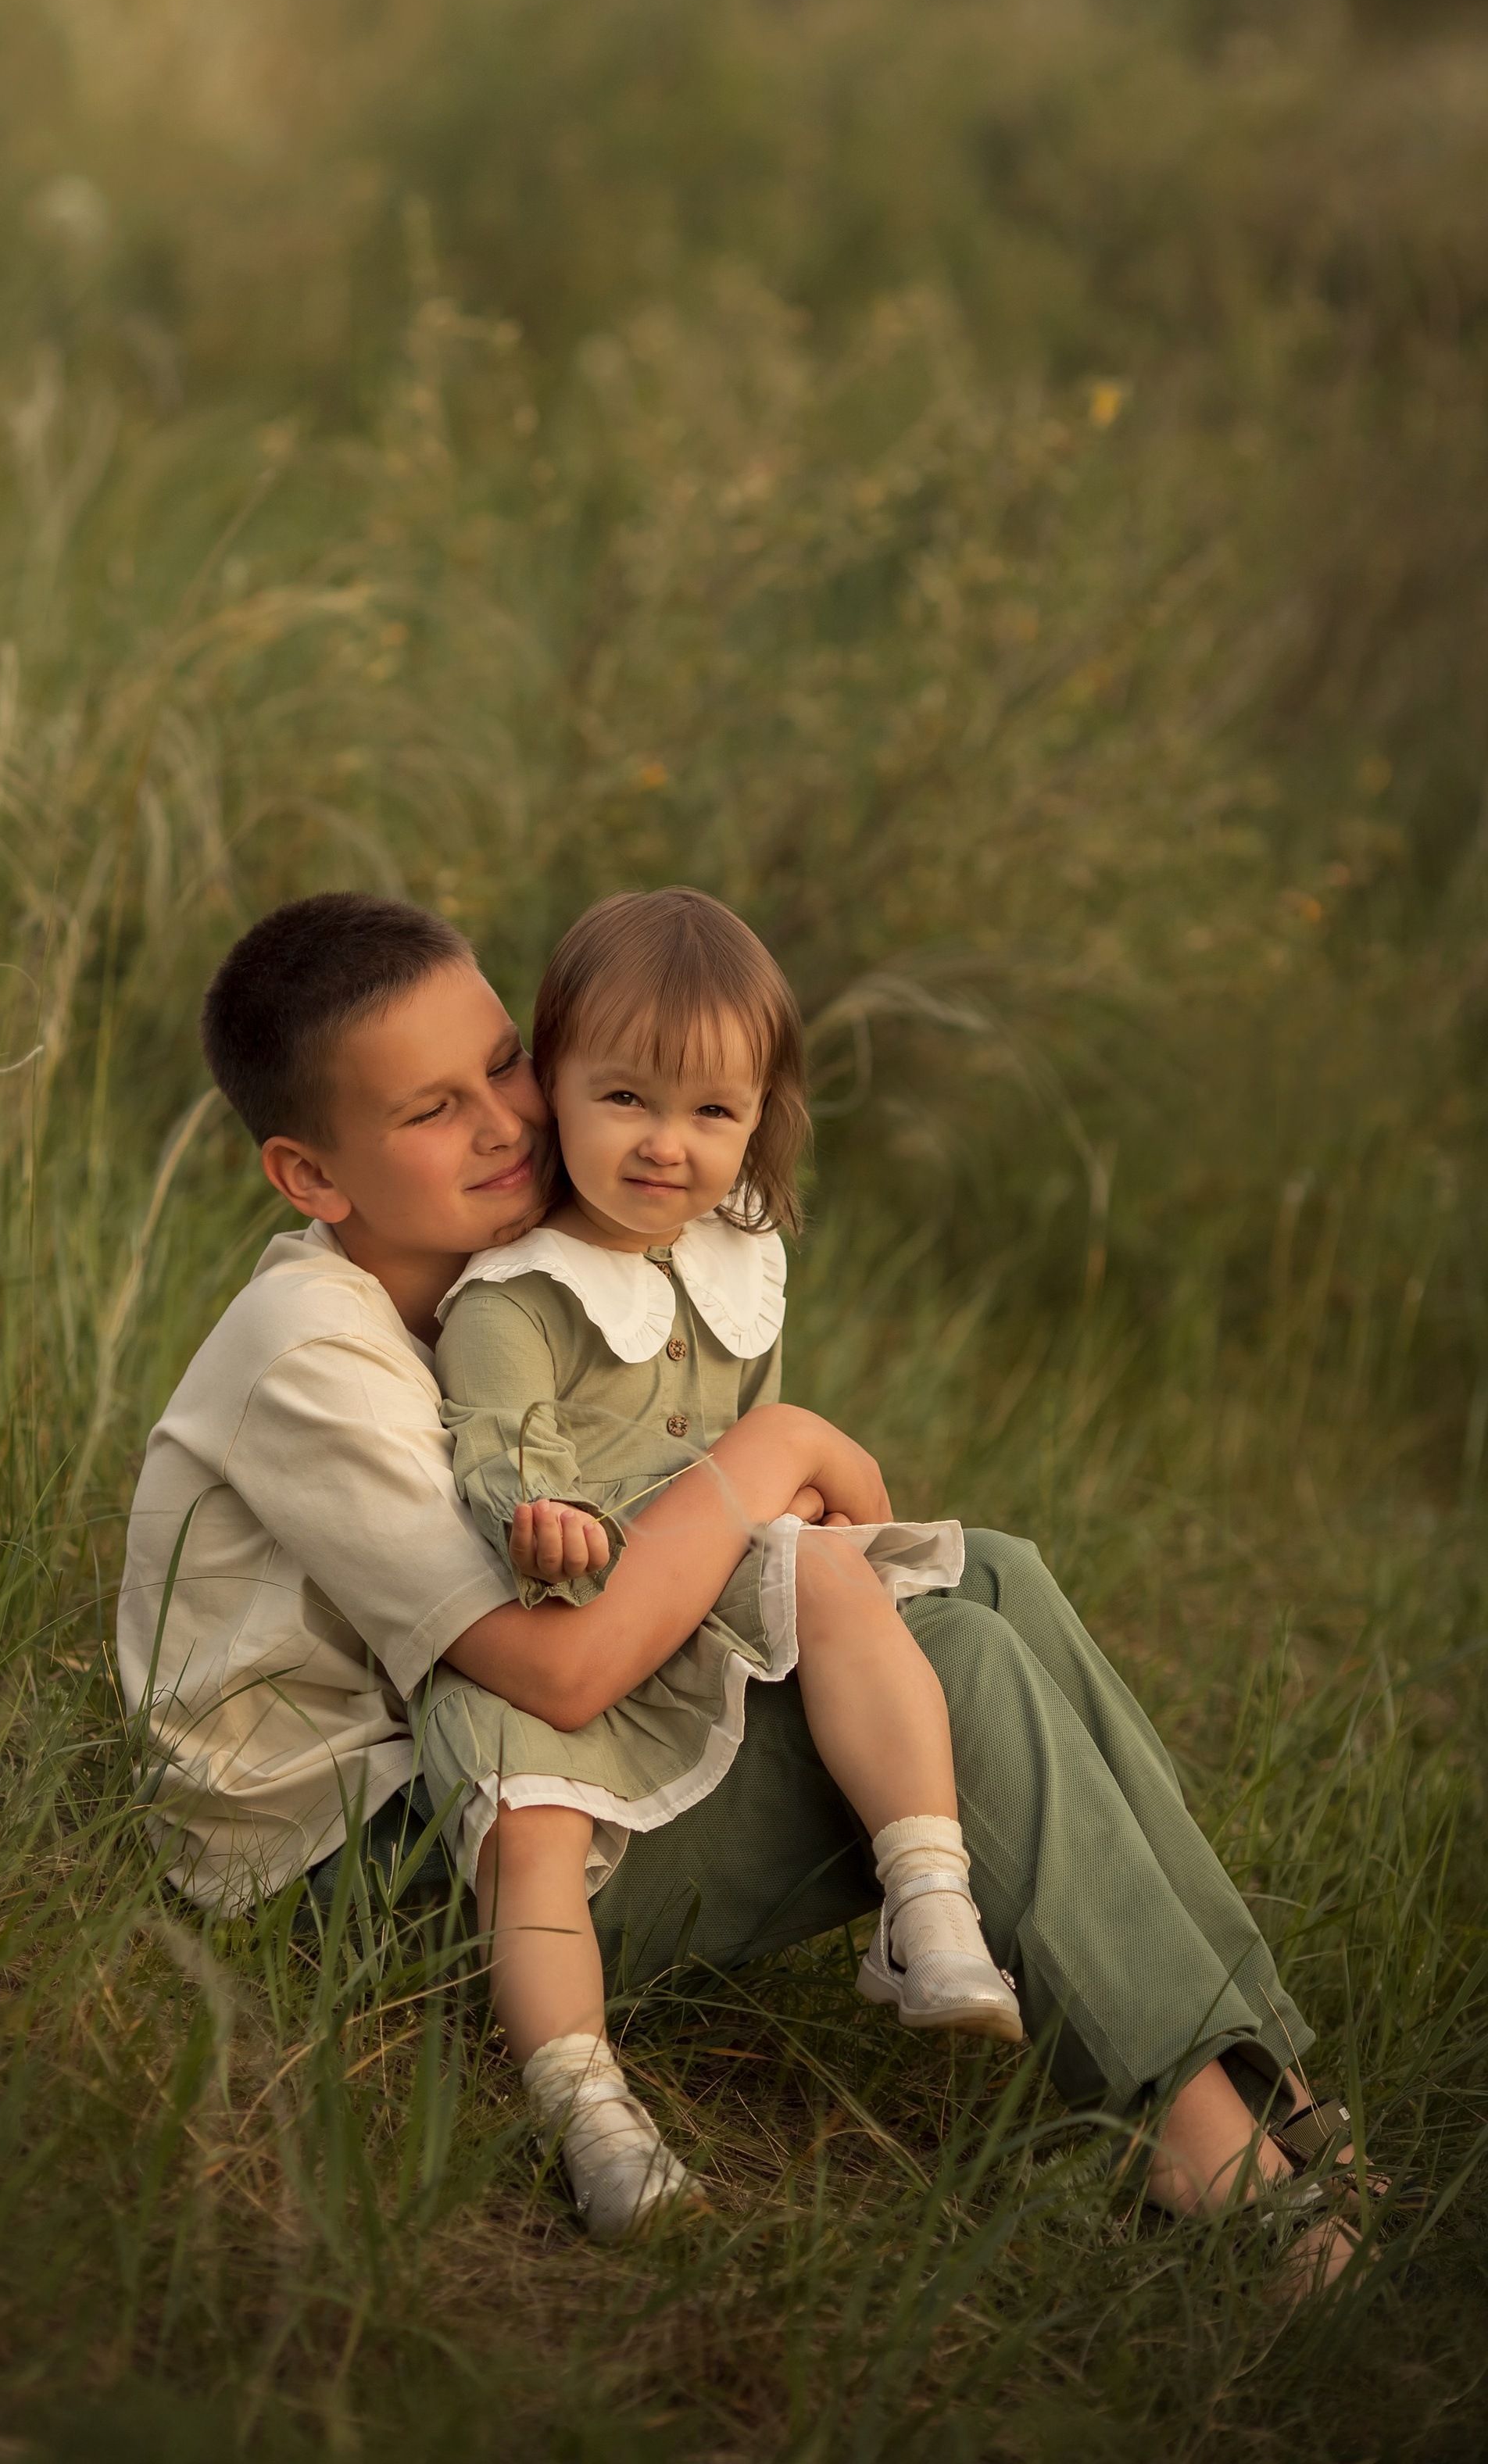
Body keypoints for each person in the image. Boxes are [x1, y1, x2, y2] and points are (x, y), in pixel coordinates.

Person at [115, 892, 1370, 2287]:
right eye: (431, 1111)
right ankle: (1214, 2151)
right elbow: (561, 1673)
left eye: (505, 1064)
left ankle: (1272, 2084)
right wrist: (776, 1451)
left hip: (486, 1775)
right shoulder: (311, 1351)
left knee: (993, 1578)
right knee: (950, 1660)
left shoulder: (506, 1274)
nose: (505, 1123)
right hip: (373, 1879)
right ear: (312, 1177)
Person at [419, 888, 1021, 2238]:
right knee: (530, 1831)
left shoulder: (739, 1259)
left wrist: (792, 1497)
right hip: (569, 1606)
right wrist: (540, 1513)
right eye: (624, 1097)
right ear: (550, 1088)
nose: (666, 1145)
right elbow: (491, 1444)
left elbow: (751, 1442)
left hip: (706, 1582)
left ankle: (927, 1901)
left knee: (831, 1577)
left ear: (760, 1119)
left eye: (712, 1113)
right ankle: (588, 2111)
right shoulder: (518, 1292)